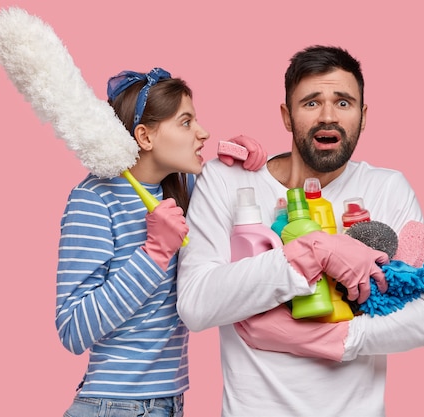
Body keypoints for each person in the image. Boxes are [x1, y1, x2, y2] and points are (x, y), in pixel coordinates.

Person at [176, 46, 424, 416]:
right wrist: (309, 252)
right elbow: (195, 304)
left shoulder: (388, 188)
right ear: (286, 116)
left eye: (343, 103)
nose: (328, 117)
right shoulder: (228, 179)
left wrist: (334, 339)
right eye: (310, 103)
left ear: (363, 115)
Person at [56, 68, 267, 417]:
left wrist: (240, 167)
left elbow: (240, 230)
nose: (202, 133)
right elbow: (73, 329)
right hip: (114, 406)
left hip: (168, 403)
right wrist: (154, 253)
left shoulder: (184, 188)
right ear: (145, 136)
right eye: (186, 122)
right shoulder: (93, 200)